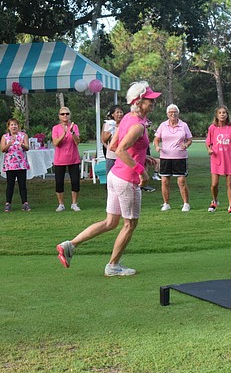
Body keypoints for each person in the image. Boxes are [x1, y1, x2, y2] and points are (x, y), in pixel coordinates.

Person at [55, 81, 161, 276]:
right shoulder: (137, 125)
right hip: (127, 180)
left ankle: (69, 245)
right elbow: (119, 149)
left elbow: (112, 146)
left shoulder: (128, 118)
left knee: (110, 222)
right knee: (129, 224)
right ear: (138, 102)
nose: (152, 103)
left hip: (115, 176)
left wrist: (142, 156)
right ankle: (113, 266)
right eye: (149, 100)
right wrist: (141, 170)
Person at [205, 105, 231, 213]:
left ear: (227, 115)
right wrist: (209, 149)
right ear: (216, 115)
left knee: (229, 184)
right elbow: (208, 143)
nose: (222, 114)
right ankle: (214, 201)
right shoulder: (212, 128)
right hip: (216, 159)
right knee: (214, 184)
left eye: (224, 113)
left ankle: (230, 206)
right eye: (220, 113)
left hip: (229, 159)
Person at [154, 104, 193, 212]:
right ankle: (166, 203)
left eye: (175, 112)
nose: (173, 114)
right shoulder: (163, 125)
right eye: (170, 112)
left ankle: (186, 203)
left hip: (180, 157)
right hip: (165, 157)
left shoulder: (183, 125)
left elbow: (189, 139)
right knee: (164, 181)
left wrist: (186, 145)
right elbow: (156, 139)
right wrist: (157, 146)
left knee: (181, 181)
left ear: (178, 113)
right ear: (167, 114)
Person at [51, 106, 82, 211]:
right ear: (59, 116)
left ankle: (74, 203)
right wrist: (63, 134)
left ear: (70, 115)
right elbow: (56, 143)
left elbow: (77, 141)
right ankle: (61, 204)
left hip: (73, 159)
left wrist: (72, 132)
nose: (65, 116)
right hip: (60, 160)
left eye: (67, 114)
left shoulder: (75, 127)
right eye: (62, 114)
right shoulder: (56, 128)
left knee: (75, 182)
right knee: (59, 182)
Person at [0, 117, 31, 212]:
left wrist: (22, 145)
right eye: (12, 125)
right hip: (10, 165)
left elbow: (27, 148)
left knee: (22, 185)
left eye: (15, 125)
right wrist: (9, 144)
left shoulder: (23, 135)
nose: (14, 127)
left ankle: (25, 203)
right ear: (8, 127)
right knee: (10, 185)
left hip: (21, 164)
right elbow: (3, 149)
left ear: (18, 126)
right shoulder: (5, 137)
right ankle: (8, 203)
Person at [102, 105, 124, 177]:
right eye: (117, 112)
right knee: (110, 176)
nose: (120, 114)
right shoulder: (108, 124)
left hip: (122, 155)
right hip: (111, 156)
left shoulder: (125, 124)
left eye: (121, 112)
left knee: (122, 177)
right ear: (112, 114)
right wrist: (111, 130)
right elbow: (104, 139)